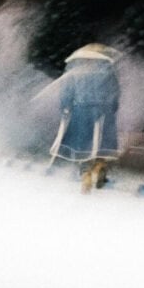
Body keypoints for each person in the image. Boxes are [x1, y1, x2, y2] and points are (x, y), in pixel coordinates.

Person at [48, 44, 121, 193]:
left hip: (81, 111)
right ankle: (100, 165)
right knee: (102, 142)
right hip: (104, 110)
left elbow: (66, 92)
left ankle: (86, 174)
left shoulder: (75, 71)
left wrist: (65, 108)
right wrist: (113, 108)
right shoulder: (107, 70)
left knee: (83, 144)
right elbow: (115, 92)